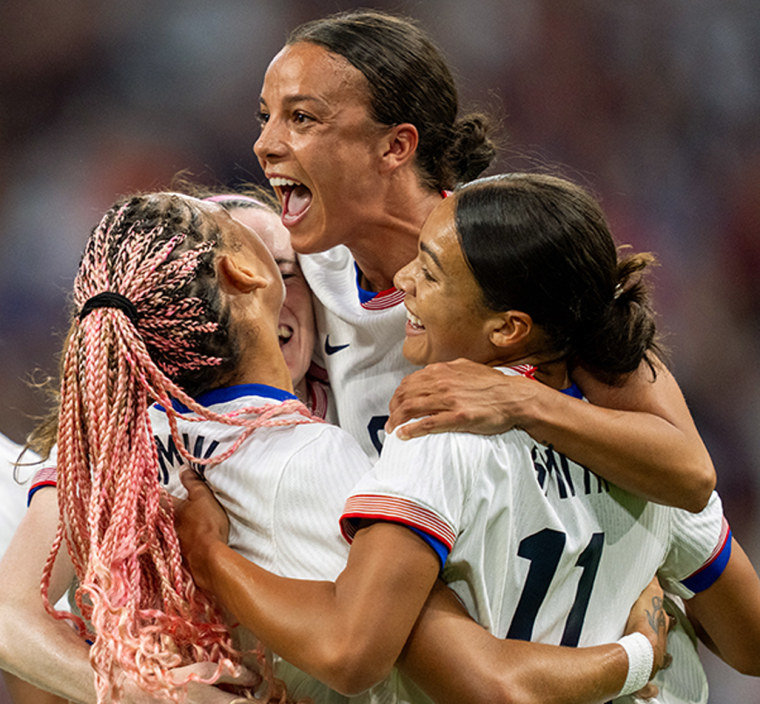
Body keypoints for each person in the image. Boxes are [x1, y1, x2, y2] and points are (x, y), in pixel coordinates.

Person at [0, 190, 671, 704]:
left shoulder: (115, 447)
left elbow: (13, 613)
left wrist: (142, 688)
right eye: (277, 263)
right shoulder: (321, 461)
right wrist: (636, 654)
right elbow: (475, 674)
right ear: (243, 276)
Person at [173, 173, 760, 703]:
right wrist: (638, 645)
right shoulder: (645, 459)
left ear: (508, 328)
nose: (403, 281)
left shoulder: (435, 434)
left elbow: (355, 650)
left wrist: (212, 557)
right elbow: (751, 643)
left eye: (428, 270)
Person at [254, 8, 715, 509]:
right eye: (266, 116)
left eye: (302, 118)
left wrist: (520, 400)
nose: (264, 144)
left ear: (395, 146)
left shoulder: (509, 253)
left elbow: (689, 473)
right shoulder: (286, 262)